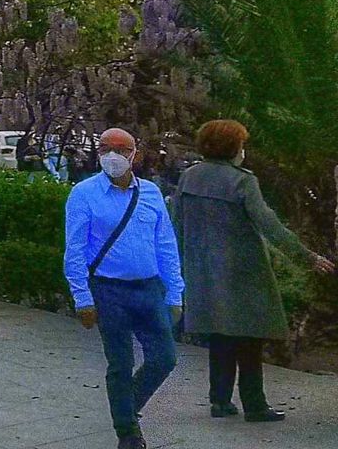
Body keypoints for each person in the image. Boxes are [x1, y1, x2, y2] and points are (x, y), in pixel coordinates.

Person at [175, 118, 336, 423]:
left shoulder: (189, 178)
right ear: (234, 147)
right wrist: (307, 257)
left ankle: (220, 401)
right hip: (243, 273)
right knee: (251, 338)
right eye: (242, 144)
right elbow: (269, 225)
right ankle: (255, 405)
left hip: (206, 273)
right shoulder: (242, 181)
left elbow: (179, 225)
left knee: (220, 337)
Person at [64, 127, 184, 449]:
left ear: (134, 154)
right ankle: (128, 433)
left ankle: (124, 407)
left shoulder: (151, 194)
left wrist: (175, 292)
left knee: (164, 358)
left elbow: (166, 245)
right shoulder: (84, 194)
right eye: (105, 148)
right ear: (98, 152)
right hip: (108, 291)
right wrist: (82, 298)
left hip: (148, 289)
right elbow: (74, 249)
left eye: (121, 148)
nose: (112, 155)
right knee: (120, 363)